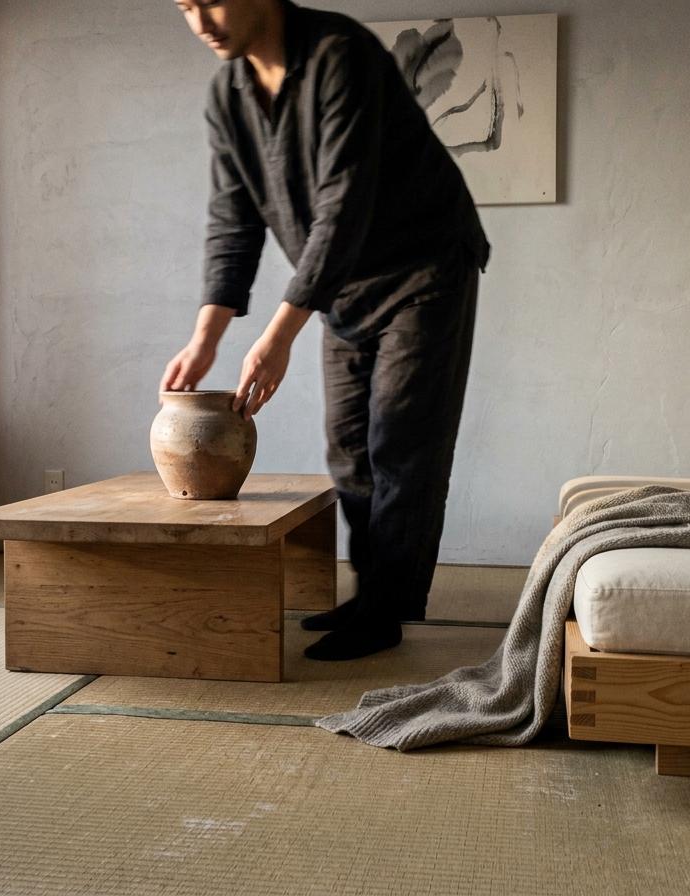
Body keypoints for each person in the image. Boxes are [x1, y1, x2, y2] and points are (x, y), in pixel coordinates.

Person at [162, 0, 490, 661]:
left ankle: (388, 610)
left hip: (422, 266)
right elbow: (233, 219)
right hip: (340, 287)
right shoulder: (227, 95)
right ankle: (372, 595)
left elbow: (343, 205)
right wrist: (206, 338)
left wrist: (279, 333)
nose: (201, 20)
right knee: (347, 451)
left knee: (400, 442)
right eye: (184, 5)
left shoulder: (341, 54)